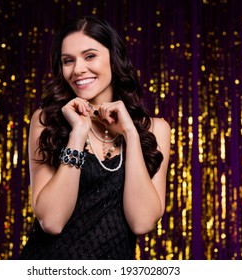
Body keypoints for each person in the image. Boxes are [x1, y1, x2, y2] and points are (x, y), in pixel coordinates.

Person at [20, 15, 171, 260]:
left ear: (114, 57)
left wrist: (130, 135)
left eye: (90, 56)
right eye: (68, 61)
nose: (78, 69)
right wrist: (78, 133)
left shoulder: (154, 129)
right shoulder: (47, 121)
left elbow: (142, 222)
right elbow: (52, 220)